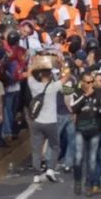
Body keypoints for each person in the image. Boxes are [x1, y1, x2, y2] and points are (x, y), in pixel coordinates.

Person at [27, 53, 72, 184]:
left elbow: (29, 72)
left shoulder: (33, 85)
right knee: (55, 146)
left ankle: (36, 174)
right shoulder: (54, 86)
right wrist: (62, 62)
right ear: (50, 75)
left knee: (36, 148)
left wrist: (35, 62)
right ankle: (50, 170)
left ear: (40, 75)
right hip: (51, 122)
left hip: (36, 122)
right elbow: (67, 76)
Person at [70, 70, 101, 196]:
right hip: (80, 129)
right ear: (82, 83)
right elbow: (73, 107)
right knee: (78, 158)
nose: (90, 85)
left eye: (92, 82)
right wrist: (85, 96)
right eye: (88, 82)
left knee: (92, 159)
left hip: (95, 130)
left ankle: (89, 185)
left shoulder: (100, 94)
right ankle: (77, 180)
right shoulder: (76, 93)